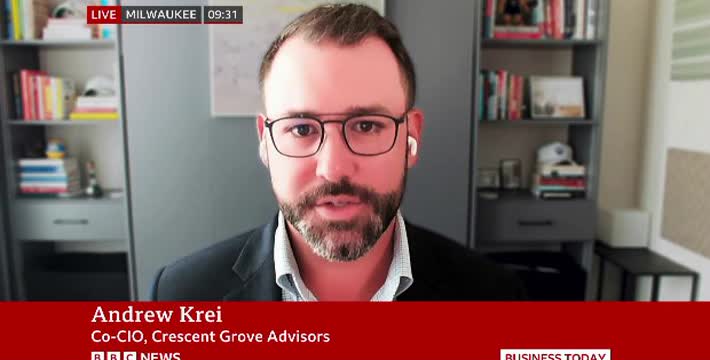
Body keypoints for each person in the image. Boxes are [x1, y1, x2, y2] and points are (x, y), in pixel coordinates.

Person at [152, 3, 524, 301]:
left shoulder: (495, 298)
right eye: (301, 129)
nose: (333, 168)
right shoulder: (182, 296)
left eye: (366, 126)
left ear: (411, 135)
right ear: (265, 141)